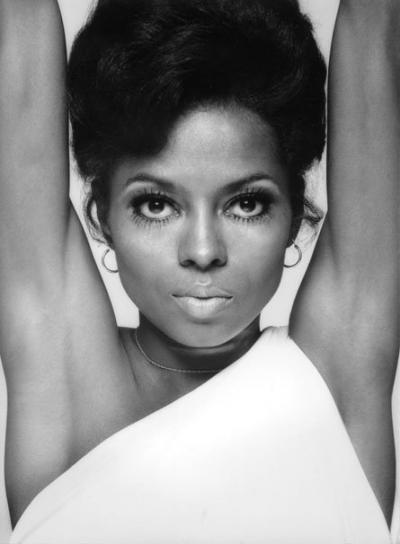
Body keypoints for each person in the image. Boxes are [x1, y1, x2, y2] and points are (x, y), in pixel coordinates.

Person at [0, 0, 398, 542]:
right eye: (157, 204)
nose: (204, 250)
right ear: (104, 216)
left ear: (293, 215)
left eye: (247, 204)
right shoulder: (65, 381)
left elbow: (374, 26)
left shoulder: (334, 384)